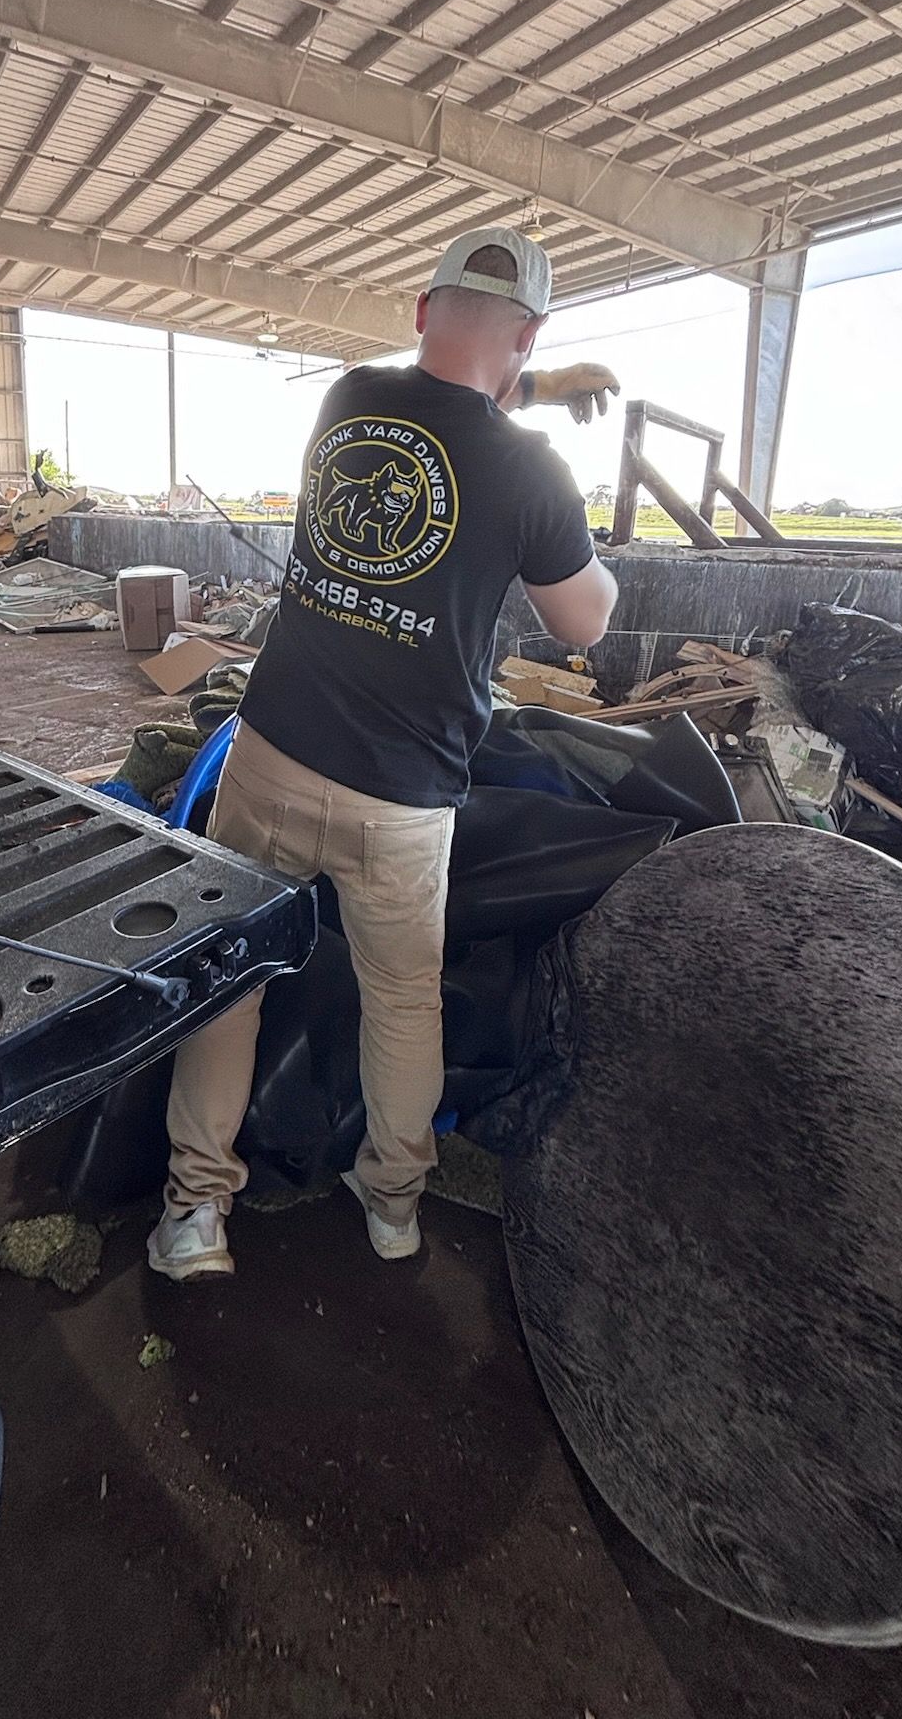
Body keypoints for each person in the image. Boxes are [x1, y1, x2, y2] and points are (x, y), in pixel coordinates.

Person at [148, 226, 620, 1282]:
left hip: (269, 755)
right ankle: (394, 1203)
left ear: (419, 308)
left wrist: (528, 382)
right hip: (402, 802)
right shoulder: (533, 472)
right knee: (403, 999)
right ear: (531, 331)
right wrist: (573, 507)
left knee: (235, 982)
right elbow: (582, 623)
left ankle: (194, 1215)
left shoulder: (349, 399)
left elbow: (454, 400)